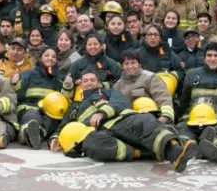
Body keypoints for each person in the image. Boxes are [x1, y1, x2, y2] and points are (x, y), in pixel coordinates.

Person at [51, 71, 197, 172]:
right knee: (91, 144)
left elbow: (121, 102)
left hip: (121, 120)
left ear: (99, 83)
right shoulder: (75, 107)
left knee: (144, 120)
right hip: (99, 132)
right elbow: (64, 124)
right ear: (81, 84)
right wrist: (56, 138)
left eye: (92, 80)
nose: (89, 83)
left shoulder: (107, 92)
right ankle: (150, 152)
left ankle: (175, 153)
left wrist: (102, 112)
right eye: (85, 81)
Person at [14, 47, 68, 149]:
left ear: (56, 60)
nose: (50, 58)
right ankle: (26, 132)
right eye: (47, 55)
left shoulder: (60, 78)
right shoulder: (29, 74)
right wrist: (15, 83)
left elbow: (65, 98)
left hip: (50, 111)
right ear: (40, 59)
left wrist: (68, 86)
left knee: (52, 119)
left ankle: (33, 134)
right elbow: (18, 95)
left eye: (53, 56)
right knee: (32, 115)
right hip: (29, 107)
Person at [113, 50, 176, 122]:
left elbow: (163, 97)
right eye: (126, 64)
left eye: (133, 63)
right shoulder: (117, 86)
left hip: (153, 120)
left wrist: (165, 117)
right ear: (122, 66)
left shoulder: (150, 78)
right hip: (129, 123)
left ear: (139, 64)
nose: (130, 66)